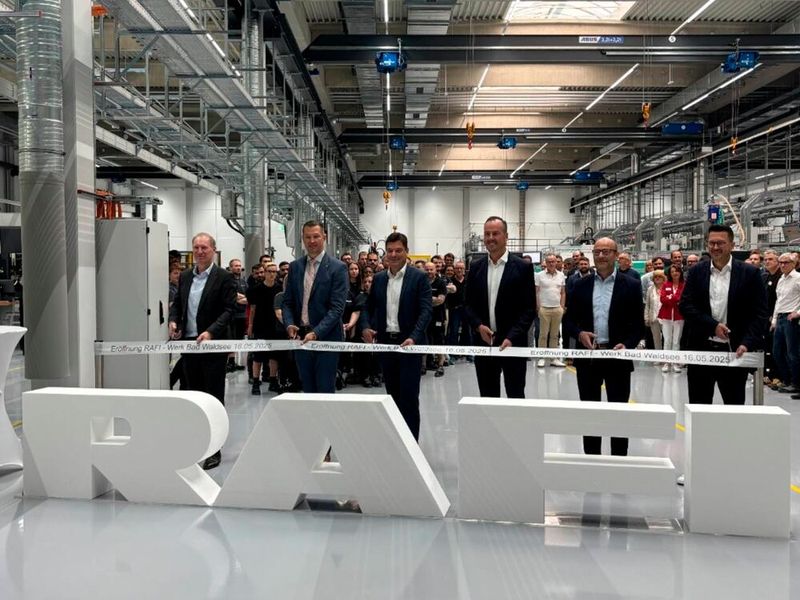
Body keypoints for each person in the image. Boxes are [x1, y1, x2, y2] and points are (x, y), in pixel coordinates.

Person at [563, 237, 643, 456]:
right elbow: (568, 321)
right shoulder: (581, 285)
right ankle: (592, 459)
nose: (601, 256)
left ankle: (619, 459)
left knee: (618, 412)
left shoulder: (632, 285)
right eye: (597, 252)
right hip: (589, 357)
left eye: (606, 252)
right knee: (590, 412)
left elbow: (638, 324)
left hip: (617, 358)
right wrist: (579, 334)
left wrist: (627, 344)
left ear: (616, 255)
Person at [168, 232, 237, 470]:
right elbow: (178, 304)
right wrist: (174, 322)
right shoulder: (186, 276)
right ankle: (196, 443)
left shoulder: (225, 277)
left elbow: (229, 310)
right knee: (192, 396)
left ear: (213, 250)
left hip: (212, 346)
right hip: (189, 345)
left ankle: (214, 449)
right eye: (196, 247)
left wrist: (211, 332)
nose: (199, 252)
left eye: (204, 248)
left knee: (213, 397)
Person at [679, 224, 768, 405]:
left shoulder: (749, 273)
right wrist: (712, 325)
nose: (716, 247)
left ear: (732, 245)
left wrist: (747, 342)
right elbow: (686, 306)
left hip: (734, 353)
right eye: (711, 243)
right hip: (701, 352)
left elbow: (759, 314)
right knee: (699, 408)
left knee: (734, 409)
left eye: (721, 243)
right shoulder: (696, 272)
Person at [361, 232, 432, 440]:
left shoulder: (418, 278)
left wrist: (414, 337)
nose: (393, 254)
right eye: (390, 251)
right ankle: (398, 444)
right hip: (386, 346)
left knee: (409, 399)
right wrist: (365, 326)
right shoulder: (379, 278)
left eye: (398, 250)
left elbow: (426, 311)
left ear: (406, 252)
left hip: (409, 346)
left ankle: (412, 446)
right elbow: (367, 306)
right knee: (392, 397)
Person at [464, 216, 535, 398]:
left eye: (495, 233)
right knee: (487, 396)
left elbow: (528, 309)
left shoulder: (523, 267)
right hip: (484, 343)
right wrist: (478, 326)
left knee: (515, 395)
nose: (490, 238)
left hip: (513, 343)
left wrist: (512, 337)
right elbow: (468, 305)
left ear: (506, 236)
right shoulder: (476, 267)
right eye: (487, 234)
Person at [282, 220, 348, 393]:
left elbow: (337, 308)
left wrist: (317, 332)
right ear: (303, 239)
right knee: (307, 389)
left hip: (326, 339)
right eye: (307, 237)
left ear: (324, 237)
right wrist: (289, 324)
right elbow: (287, 302)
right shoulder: (295, 267)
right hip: (301, 339)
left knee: (325, 390)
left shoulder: (338, 268)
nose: (312, 241)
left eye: (316, 236)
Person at [246, 262, 282, 395]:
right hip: (260, 325)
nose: (273, 274)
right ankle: (256, 382)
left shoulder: (279, 289)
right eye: (270, 271)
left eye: (274, 271)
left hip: (275, 326)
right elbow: (253, 309)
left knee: (274, 355)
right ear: (265, 272)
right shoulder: (256, 289)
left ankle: (273, 381)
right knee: (258, 356)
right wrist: (250, 326)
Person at [770, 253, 800, 395]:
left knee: (792, 353)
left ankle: (796, 383)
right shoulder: (781, 279)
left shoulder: (798, 278)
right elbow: (778, 301)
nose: (782, 265)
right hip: (781, 318)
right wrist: (775, 320)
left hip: (791, 319)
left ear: (793, 264)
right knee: (777, 352)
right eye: (780, 262)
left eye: (786, 262)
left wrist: (798, 313)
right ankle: (786, 380)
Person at [535, 253, 566, 368]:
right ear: (546, 263)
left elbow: (563, 292)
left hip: (557, 309)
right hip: (544, 309)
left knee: (555, 335)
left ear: (556, 262)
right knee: (543, 334)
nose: (552, 263)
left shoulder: (561, 275)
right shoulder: (539, 275)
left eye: (554, 261)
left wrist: (562, 307)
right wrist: (538, 308)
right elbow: (536, 292)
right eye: (549, 262)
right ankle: (542, 357)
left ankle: (553, 358)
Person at [659, 263, 685, 373]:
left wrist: (671, 297)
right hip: (666, 316)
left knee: (676, 341)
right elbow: (662, 299)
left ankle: (675, 363)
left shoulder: (684, 284)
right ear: (670, 273)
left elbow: (682, 298)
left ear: (680, 272)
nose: (675, 273)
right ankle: (666, 362)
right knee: (667, 340)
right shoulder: (666, 284)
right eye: (673, 271)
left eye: (677, 271)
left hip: (679, 316)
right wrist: (674, 299)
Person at [424, 261, 448, 377]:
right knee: (424, 341)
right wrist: (432, 299)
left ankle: (440, 366)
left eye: (431, 269)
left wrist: (426, 300)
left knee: (439, 342)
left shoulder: (441, 283)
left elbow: (440, 300)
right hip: (424, 317)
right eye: (427, 269)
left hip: (438, 317)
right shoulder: (422, 282)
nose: (429, 272)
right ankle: (423, 366)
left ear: (435, 270)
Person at [762, 249, 782, 386]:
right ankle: (768, 374)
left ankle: (778, 376)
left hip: (777, 317)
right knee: (767, 347)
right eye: (766, 259)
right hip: (765, 317)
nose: (767, 262)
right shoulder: (765, 277)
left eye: (771, 259)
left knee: (778, 349)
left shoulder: (781, 277)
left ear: (778, 262)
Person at [227, 258, 249, 372]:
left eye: (239, 265)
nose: (238, 267)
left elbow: (248, 297)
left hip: (242, 315)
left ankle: (235, 362)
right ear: (230, 268)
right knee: (231, 338)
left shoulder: (244, 282)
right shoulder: (227, 281)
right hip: (231, 315)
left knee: (239, 339)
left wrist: (240, 297)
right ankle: (230, 362)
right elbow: (231, 296)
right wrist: (237, 297)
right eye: (235, 266)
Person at [645, 269, 665, 353]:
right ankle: (659, 358)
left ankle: (667, 357)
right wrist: (646, 318)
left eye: (659, 276)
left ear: (663, 278)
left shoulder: (667, 287)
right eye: (655, 277)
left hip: (665, 318)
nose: (657, 278)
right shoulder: (650, 289)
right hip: (653, 317)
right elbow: (647, 305)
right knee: (656, 339)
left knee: (667, 339)